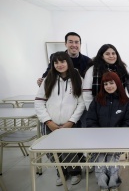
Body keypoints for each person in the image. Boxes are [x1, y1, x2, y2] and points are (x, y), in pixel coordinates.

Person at [34, 51, 85, 186]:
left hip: (70, 123)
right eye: (56, 62)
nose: (59, 65)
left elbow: (81, 103)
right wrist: (48, 121)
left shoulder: (77, 78)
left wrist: (71, 121)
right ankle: (61, 172)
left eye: (62, 61)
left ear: (68, 61)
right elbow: (39, 102)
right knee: (51, 151)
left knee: (69, 150)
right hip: (51, 124)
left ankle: (75, 172)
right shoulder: (48, 79)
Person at [86, 72, 129, 191]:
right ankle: (103, 184)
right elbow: (90, 120)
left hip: (117, 140)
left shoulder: (126, 102)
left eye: (111, 83)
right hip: (99, 140)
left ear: (117, 83)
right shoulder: (97, 100)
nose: (109, 86)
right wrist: (100, 136)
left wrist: (115, 137)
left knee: (112, 160)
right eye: (106, 84)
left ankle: (113, 184)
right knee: (100, 159)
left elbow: (128, 123)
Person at [82, 44, 129, 111]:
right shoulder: (93, 70)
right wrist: (91, 111)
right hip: (99, 108)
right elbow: (87, 93)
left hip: (119, 108)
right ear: (102, 56)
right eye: (107, 54)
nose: (111, 56)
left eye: (113, 53)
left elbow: (125, 90)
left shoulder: (121, 68)